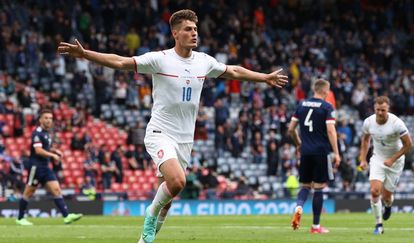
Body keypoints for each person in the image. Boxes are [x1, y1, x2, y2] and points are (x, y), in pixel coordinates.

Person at [58, 9, 288, 243]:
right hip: (161, 132)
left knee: (167, 202)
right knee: (177, 182)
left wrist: (264, 77)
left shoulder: (204, 61)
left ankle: (144, 240)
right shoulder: (160, 59)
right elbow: (120, 61)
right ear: (175, 33)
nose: (194, 33)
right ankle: (149, 214)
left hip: (185, 140)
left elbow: (234, 71)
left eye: (195, 29)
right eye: (188, 29)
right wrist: (85, 54)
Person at [288, 79, 340, 234]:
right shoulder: (326, 107)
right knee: (318, 188)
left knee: (305, 186)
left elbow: (291, 129)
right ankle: (315, 227)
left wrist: (298, 144)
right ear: (325, 91)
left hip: (305, 152)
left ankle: (299, 206)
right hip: (321, 152)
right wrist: (336, 152)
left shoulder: (301, 105)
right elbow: (331, 131)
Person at [16, 109, 83, 226]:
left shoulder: (46, 133)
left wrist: (55, 150)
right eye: (46, 118)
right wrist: (53, 155)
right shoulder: (37, 133)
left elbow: (45, 147)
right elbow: (38, 150)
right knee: (28, 192)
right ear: (40, 119)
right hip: (36, 167)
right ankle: (20, 218)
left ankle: (66, 216)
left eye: (50, 118)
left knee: (56, 189)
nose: (48, 120)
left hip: (45, 167)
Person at [359, 96, 412, 234]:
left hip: (395, 162)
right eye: (378, 110)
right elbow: (365, 140)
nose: (380, 113)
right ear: (374, 108)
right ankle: (378, 225)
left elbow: (408, 144)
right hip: (378, 159)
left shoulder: (397, 123)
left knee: (387, 197)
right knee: (374, 191)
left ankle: (388, 206)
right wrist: (363, 159)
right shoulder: (368, 122)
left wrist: (393, 159)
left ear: (388, 108)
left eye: (383, 110)